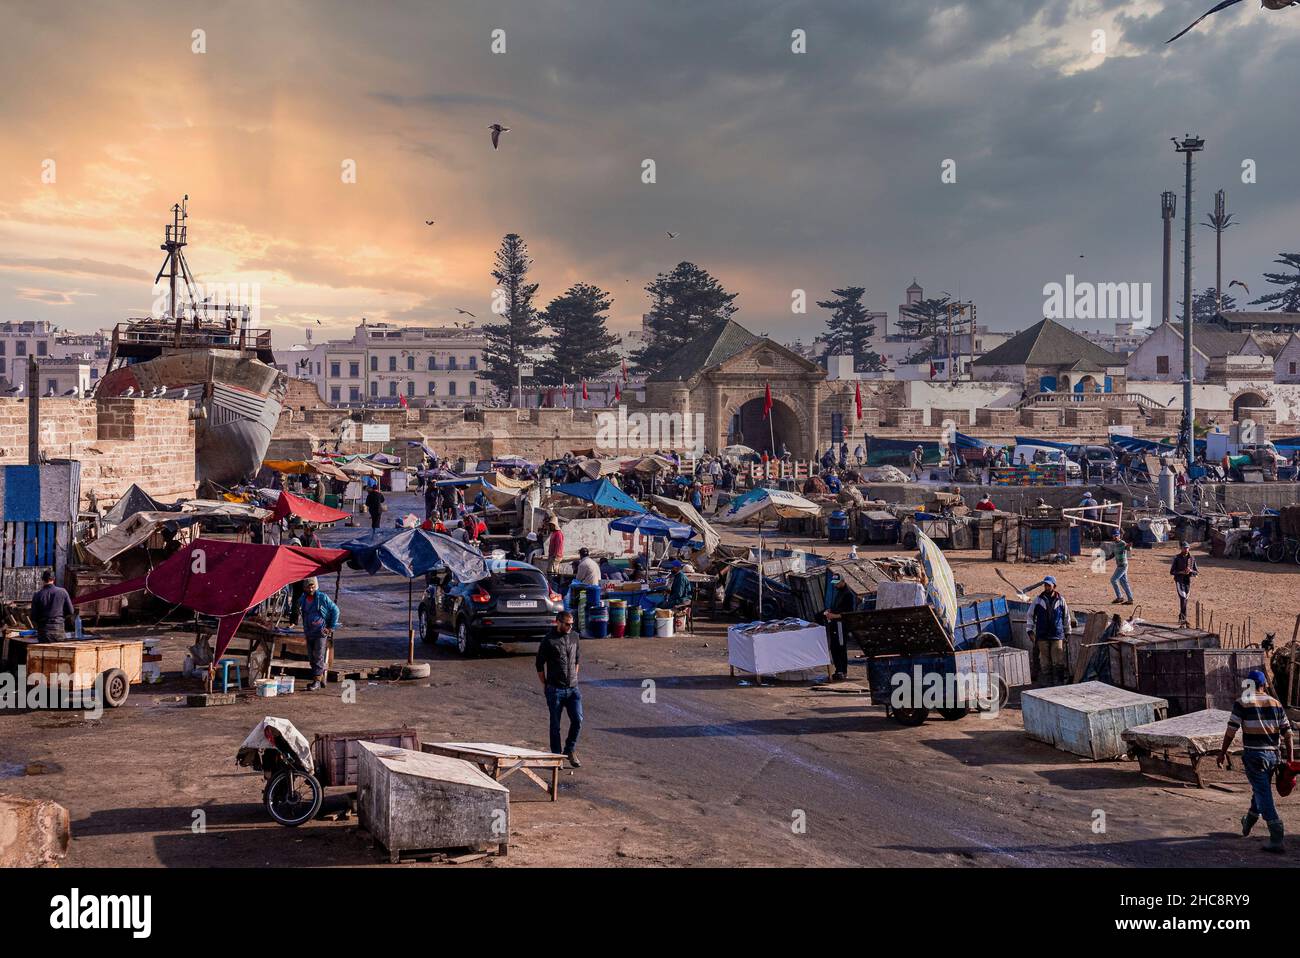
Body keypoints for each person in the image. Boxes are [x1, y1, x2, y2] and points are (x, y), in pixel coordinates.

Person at [1217, 670, 1292, 853]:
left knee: (1262, 792)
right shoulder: (1276, 703)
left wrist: (1222, 753)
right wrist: (1290, 759)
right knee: (1261, 789)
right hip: (1274, 756)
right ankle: (1248, 820)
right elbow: (1288, 733)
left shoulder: (1242, 702)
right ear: (1264, 684)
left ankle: (1276, 836)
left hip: (1254, 757)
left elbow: (1231, 731)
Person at [536, 610, 583, 766]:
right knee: (555, 725)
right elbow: (539, 664)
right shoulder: (548, 641)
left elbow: (577, 660)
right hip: (555, 690)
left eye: (571, 624)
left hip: (573, 689)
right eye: (567, 624)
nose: (570, 627)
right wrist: (545, 685)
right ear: (558, 622)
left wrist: (574, 678)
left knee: (577, 719)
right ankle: (556, 758)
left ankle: (569, 749)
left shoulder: (575, 637)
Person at [298, 577, 340, 690]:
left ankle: (316, 681)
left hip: (320, 632)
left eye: (313, 586)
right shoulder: (303, 599)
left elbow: (335, 610)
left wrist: (330, 627)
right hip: (309, 631)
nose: (311, 589)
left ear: (316, 587)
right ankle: (320, 679)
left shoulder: (322, 597)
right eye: (308, 587)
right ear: (305, 588)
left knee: (318, 656)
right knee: (312, 657)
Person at [1027, 576, 1070, 686]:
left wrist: (1067, 632)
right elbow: (1030, 615)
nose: (1046, 587)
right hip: (1042, 636)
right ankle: (1048, 685)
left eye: (1049, 585)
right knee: (1045, 663)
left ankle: (1059, 684)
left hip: (1057, 635)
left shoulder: (1061, 600)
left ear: (1054, 586)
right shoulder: (1038, 600)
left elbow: (1066, 617)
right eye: (1045, 585)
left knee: (1058, 662)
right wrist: (1030, 630)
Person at [820, 577, 854, 680]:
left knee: (841, 647)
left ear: (843, 582)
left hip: (841, 624)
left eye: (837, 583)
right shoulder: (839, 592)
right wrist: (831, 610)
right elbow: (838, 607)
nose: (835, 586)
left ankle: (842, 671)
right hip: (834, 623)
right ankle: (838, 669)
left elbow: (848, 613)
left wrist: (834, 616)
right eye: (834, 584)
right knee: (834, 648)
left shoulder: (848, 594)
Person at [31, 570, 75, 644]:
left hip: (44, 632)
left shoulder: (37, 595)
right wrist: (60, 618)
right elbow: (71, 611)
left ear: (43, 580)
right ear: (54, 579)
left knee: (44, 654)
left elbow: (34, 616)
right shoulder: (62, 592)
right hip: (58, 629)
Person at [1170, 540, 1198, 626]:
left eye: (1187, 548)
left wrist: (1191, 571)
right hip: (1179, 581)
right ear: (1181, 549)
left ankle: (1181, 617)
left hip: (1187, 581)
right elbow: (1172, 571)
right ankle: (1183, 618)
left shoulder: (1192, 558)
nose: (1186, 550)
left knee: (1185, 599)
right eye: (1184, 548)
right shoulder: (1177, 558)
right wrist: (1181, 572)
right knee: (1183, 598)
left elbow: (1196, 572)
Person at [1108, 528, 1133, 604]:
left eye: (1116, 536)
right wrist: (1105, 558)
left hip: (1123, 565)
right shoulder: (1114, 544)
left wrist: (1129, 546)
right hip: (1119, 565)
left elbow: (1128, 548)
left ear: (1119, 536)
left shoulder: (1122, 543)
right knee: (1124, 583)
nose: (1115, 537)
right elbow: (1113, 554)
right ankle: (1130, 599)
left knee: (1113, 580)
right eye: (1114, 536)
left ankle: (1119, 597)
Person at [542, 517, 564, 586]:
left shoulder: (558, 534)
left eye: (551, 525)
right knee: (549, 574)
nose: (550, 526)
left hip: (555, 557)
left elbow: (558, 545)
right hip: (552, 556)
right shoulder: (554, 533)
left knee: (552, 575)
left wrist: (555, 556)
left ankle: (554, 589)